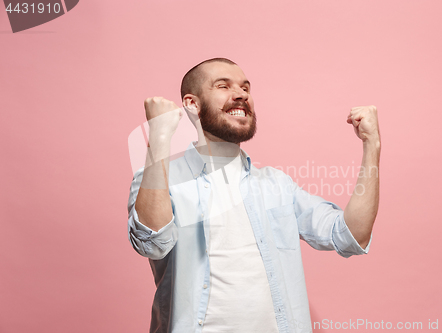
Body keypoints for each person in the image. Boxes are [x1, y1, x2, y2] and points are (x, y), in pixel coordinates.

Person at [127, 58, 381, 333]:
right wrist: (160, 139)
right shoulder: (159, 176)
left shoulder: (276, 185)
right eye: (223, 86)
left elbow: (351, 235)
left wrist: (372, 146)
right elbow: (152, 244)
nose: (241, 94)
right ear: (192, 104)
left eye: (246, 88)